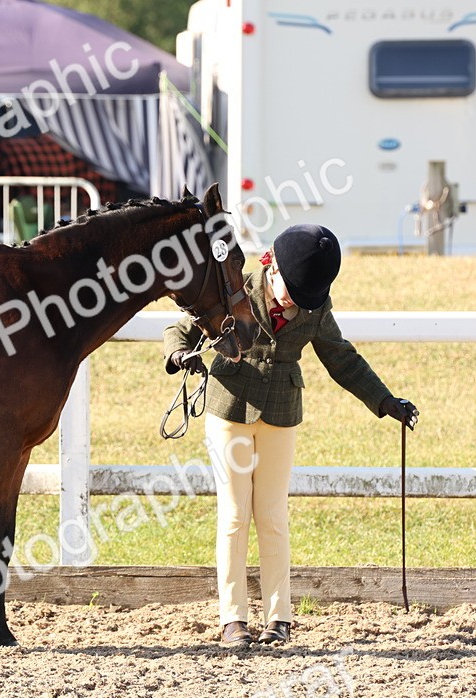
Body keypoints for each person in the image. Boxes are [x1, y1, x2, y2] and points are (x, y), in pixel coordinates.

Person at [163, 224, 418, 648]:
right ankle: (233, 619)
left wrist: (385, 401)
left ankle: (278, 618)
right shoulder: (234, 286)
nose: (293, 303)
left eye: (304, 299)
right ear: (272, 264)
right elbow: (181, 328)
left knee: (272, 515)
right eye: (288, 291)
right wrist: (176, 355)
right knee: (233, 515)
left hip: (282, 413)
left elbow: (342, 358)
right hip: (230, 410)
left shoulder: (315, 308)